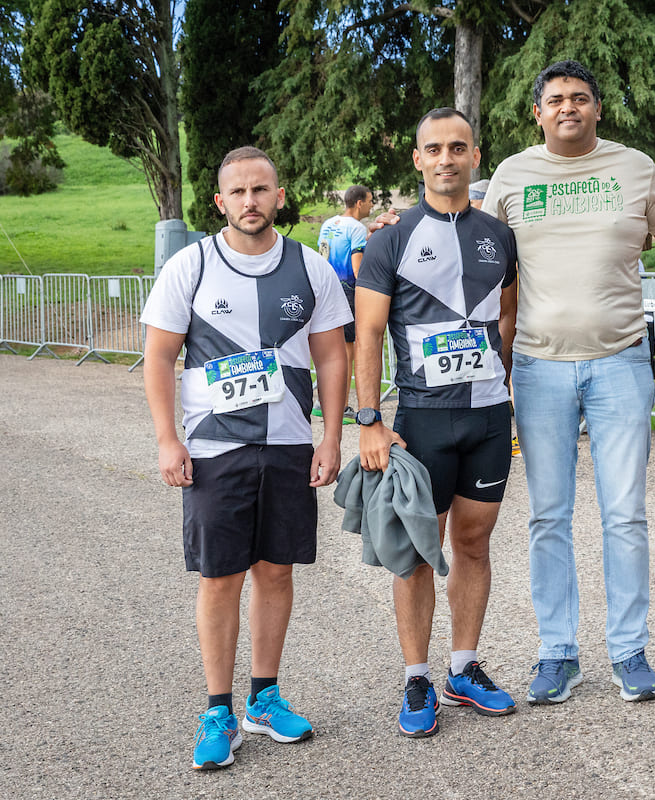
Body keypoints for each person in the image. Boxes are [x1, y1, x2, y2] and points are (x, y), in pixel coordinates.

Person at [141, 146, 352, 770]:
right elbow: (158, 357)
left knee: (276, 572)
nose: (251, 201)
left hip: (287, 444)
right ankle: (217, 709)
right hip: (213, 448)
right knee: (220, 577)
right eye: (238, 192)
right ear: (220, 201)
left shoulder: (311, 268)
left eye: (262, 190)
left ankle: (265, 697)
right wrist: (166, 439)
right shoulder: (191, 266)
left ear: (278, 196)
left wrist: (332, 435)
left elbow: (333, 356)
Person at [481, 60, 655, 704]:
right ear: (537, 112)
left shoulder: (636, 167)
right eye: (557, 99)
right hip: (538, 365)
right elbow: (478, 260)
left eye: (581, 98)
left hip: (620, 360)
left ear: (598, 109)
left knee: (625, 514)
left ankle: (629, 650)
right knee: (548, 516)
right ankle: (557, 652)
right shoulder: (511, 176)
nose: (569, 107)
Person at [354, 108, 519, 738]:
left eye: (458, 147)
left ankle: (463, 666)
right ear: (418, 159)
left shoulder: (498, 235)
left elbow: (506, 320)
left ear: (476, 156)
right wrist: (368, 418)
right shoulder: (390, 238)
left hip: (485, 417)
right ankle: (416, 675)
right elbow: (368, 332)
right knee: (420, 553)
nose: (446, 159)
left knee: (474, 543)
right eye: (434, 149)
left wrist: (505, 394)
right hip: (421, 417)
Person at [317, 185, 374, 420]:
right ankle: (342, 405)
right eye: (370, 201)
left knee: (327, 350)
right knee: (347, 352)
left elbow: (321, 256)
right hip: (349, 291)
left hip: (325, 289)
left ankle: (323, 403)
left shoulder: (328, 224)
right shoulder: (357, 228)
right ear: (359, 203)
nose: (372, 205)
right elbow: (357, 266)